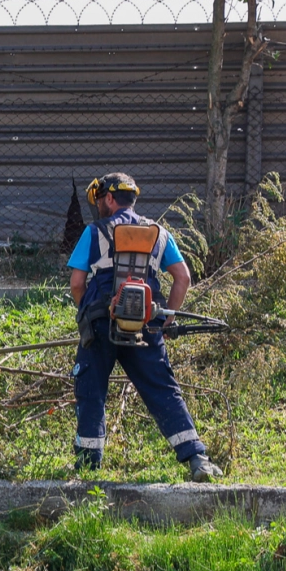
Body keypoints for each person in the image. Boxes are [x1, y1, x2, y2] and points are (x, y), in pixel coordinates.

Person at [66, 173, 224, 483]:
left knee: (91, 390)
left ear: (110, 199)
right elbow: (183, 278)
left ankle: (87, 470)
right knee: (162, 389)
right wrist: (169, 318)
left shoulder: (93, 232)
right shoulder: (159, 234)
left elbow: (76, 284)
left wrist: (90, 313)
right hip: (147, 325)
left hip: (101, 325)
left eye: (100, 200)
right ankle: (197, 459)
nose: (99, 206)